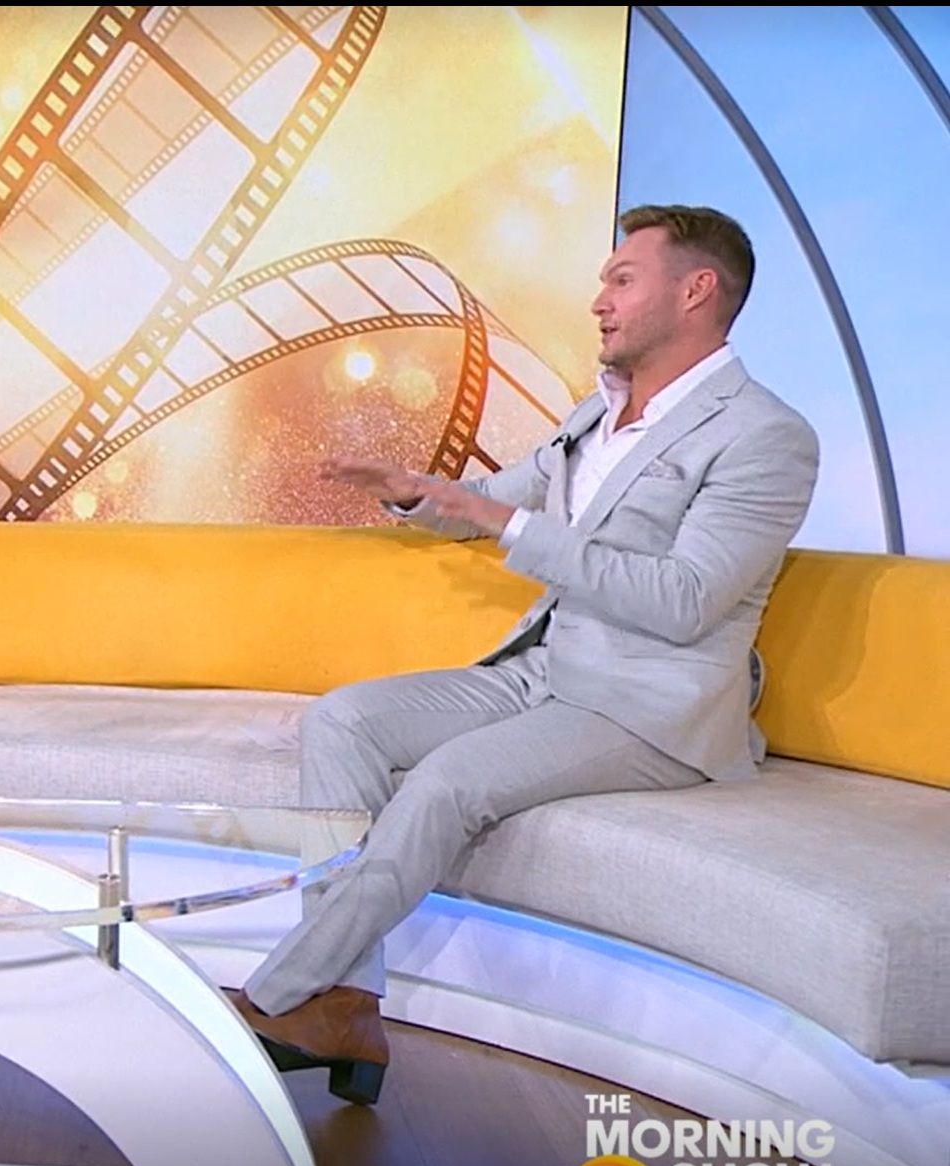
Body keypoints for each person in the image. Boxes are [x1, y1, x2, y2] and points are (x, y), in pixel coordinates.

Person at [229, 205, 820, 1104]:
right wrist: (415, 494)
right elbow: (495, 500)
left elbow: (686, 601)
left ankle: (278, 994)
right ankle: (344, 998)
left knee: (445, 781)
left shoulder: (765, 435)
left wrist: (511, 524)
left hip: (646, 706)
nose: (599, 299)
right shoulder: (600, 412)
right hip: (544, 670)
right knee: (344, 720)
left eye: (622, 279)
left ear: (696, 290)